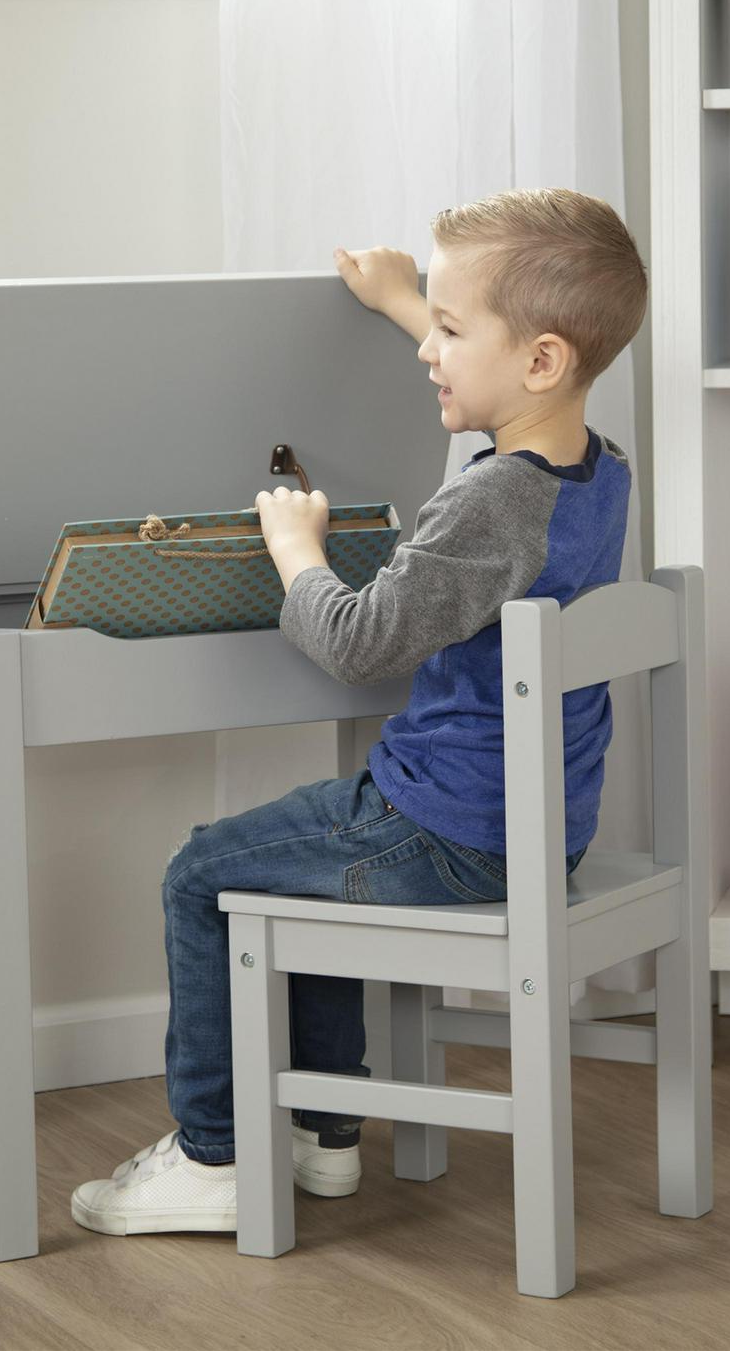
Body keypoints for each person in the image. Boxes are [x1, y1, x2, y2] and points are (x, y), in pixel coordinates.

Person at [72, 186, 647, 1236]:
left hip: (449, 830)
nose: (432, 348)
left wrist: (298, 549)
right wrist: (403, 299)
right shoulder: (594, 469)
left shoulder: (486, 502)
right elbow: (495, 375)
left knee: (202, 870)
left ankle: (215, 1159)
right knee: (316, 873)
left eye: (449, 328)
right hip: (534, 827)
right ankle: (322, 1136)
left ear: (541, 361)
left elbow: (358, 644)